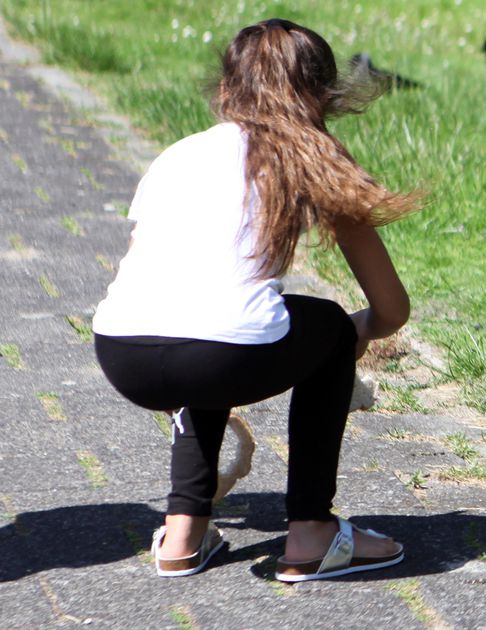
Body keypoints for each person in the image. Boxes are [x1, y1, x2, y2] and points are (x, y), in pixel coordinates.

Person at [92, 18, 419, 582]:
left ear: (227, 88)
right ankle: (312, 533)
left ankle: (182, 533)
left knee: (212, 325)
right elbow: (391, 309)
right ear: (322, 92)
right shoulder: (313, 156)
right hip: (216, 353)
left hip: (122, 351)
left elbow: (157, 278)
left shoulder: (178, 154)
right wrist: (354, 334)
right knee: (324, 325)